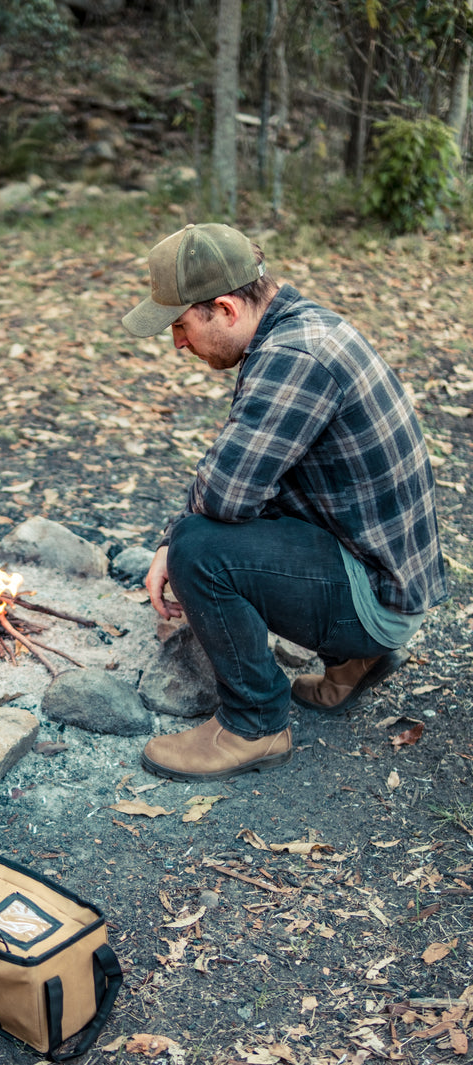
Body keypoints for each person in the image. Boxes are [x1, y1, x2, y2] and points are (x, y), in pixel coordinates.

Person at [121, 223, 447, 782]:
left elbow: (225, 494)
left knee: (200, 549)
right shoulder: (300, 327)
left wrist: (175, 543)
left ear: (224, 308)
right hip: (380, 572)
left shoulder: (295, 357)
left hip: (376, 597)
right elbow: (240, 467)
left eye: (180, 325)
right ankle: (355, 660)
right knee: (199, 532)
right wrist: (170, 535)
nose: (178, 343)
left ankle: (254, 725)